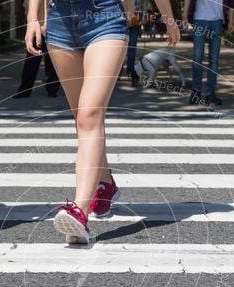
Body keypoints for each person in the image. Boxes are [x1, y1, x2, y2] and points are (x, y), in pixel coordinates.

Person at [25, 0, 180, 244]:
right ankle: (105, 183)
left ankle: (80, 211)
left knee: (89, 114)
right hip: (60, 23)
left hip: (105, 19)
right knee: (82, 118)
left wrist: (169, 18)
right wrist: (33, 18)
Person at [184, 0, 234, 106]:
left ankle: (210, 94)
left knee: (214, 59)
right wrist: (185, 16)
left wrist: (231, 21)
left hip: (217, 21)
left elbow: (231, 2)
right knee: (197, 57)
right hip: (199, 19)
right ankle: (196, 92)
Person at [14, 0, 60, 98]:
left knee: (51, 58)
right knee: (33, 58)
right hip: (38, 25)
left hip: (51, 23)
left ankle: (52, 88)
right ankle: (26, 89)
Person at [126, 5, 143, 85]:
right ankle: (118, 72)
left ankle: (130, 71)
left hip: (134, 26)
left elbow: (140, 9)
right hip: (121, 23)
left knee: (131, 50)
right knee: (120, 49)